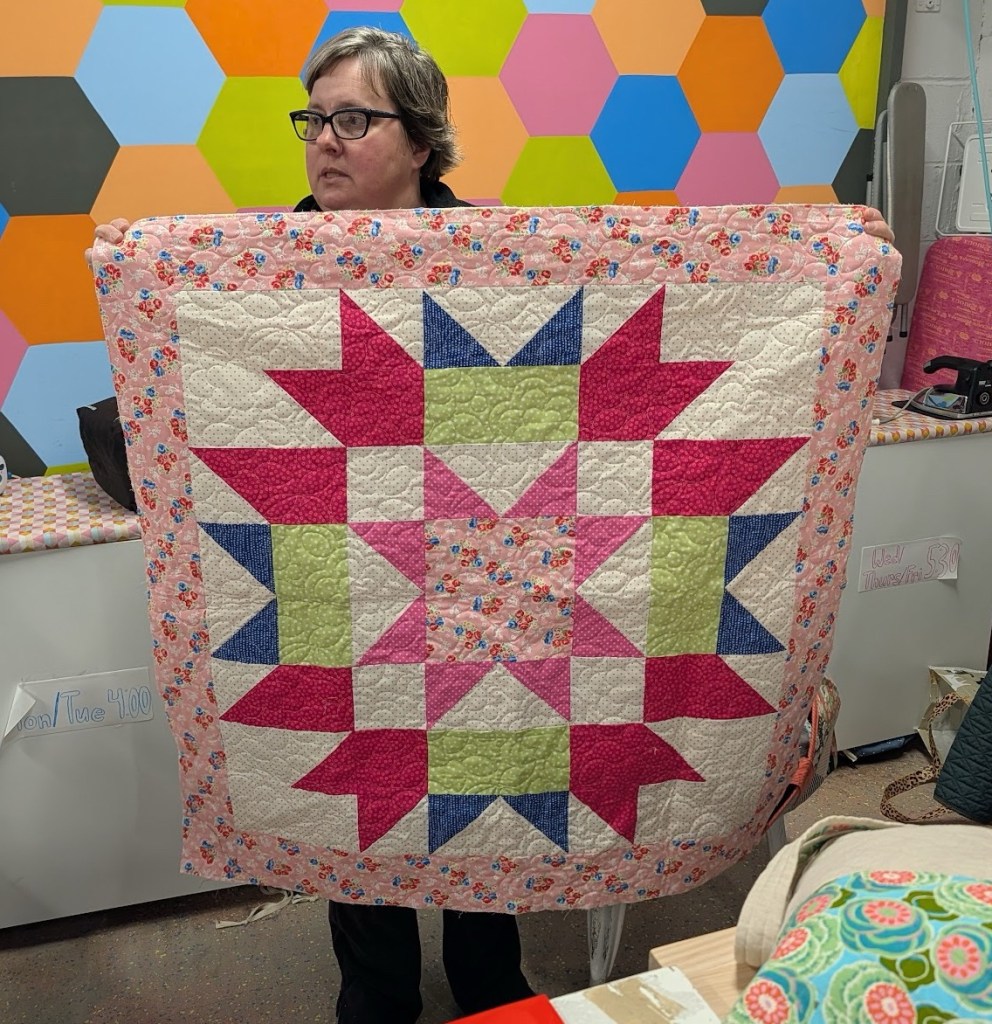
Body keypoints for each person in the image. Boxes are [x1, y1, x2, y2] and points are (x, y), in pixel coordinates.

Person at [89, 25, 896, 1024]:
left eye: (354, 119)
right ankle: (375, 994)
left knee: (504, 769)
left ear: (421, 138)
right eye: (314, 119)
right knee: (367, 790)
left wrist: (837, 261)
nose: (325, 141)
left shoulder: (504, 264)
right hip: (347, 594)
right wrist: (142, 271)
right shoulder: (264, 274)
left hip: (521, 616)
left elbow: (621, 383)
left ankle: (487, 983)